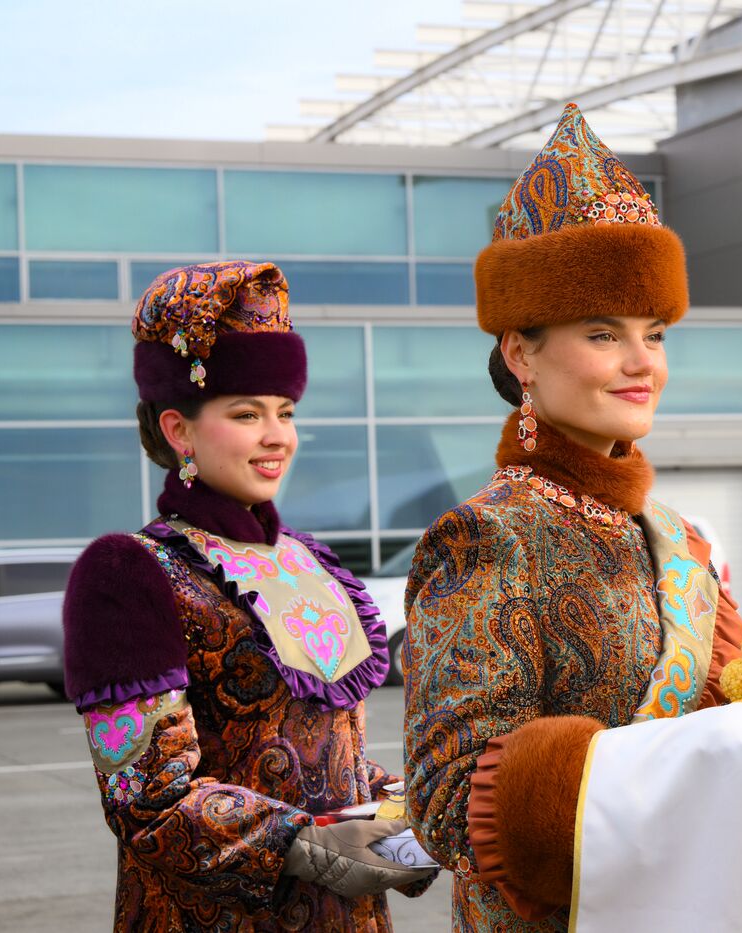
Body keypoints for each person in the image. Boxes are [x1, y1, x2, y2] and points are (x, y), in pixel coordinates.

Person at [402, 104, 742, 931]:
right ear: (521, 352)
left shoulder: (680, 539)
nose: (641, 364)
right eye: (603, 334)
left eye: (654, 334)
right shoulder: (486, 537)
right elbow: (447, 798)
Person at [61, 262, 433, 931]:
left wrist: (407, 807)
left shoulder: (308, 560)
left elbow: (330, 757)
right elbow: (145, 796)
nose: (277, 436)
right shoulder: (129, 571)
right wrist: (305, 846)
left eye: (285, 413)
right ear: (178, 431)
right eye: (246, 413)